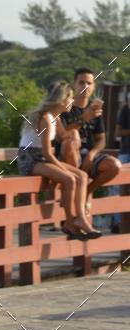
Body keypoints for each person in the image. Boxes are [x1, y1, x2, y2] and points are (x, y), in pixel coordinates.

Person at [18, 80, 100, 239]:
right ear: (61, 100)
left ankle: (81, 219)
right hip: (30, 159)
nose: (72, 101)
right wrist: (63, 169)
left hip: (42, 158)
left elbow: (62, 138)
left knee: (82, 176)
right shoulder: (47, 118)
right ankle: (70, 222)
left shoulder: (55, 118)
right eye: (69, 98)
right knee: (70, 179)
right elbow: (48, 153)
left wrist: (75, 135)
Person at [58, 68, 121, 207]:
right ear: (74, 85)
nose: (85, 86)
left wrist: (92, 154)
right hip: (66, 156)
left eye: (89, 83)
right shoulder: (65, 106)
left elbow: (101, 139)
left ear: (93, 86)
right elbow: (61, 135)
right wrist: (83, 119)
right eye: (81, 82)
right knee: (71, 142)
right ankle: (76, 206)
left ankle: (86, 191)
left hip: (87, 155)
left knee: (114, 165)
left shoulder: (94, 108)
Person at [112, 93, 130, 231]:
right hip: (126, 152)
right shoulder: (125, 110)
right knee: (118, 188)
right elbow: (118, 132)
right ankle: (117, 223)